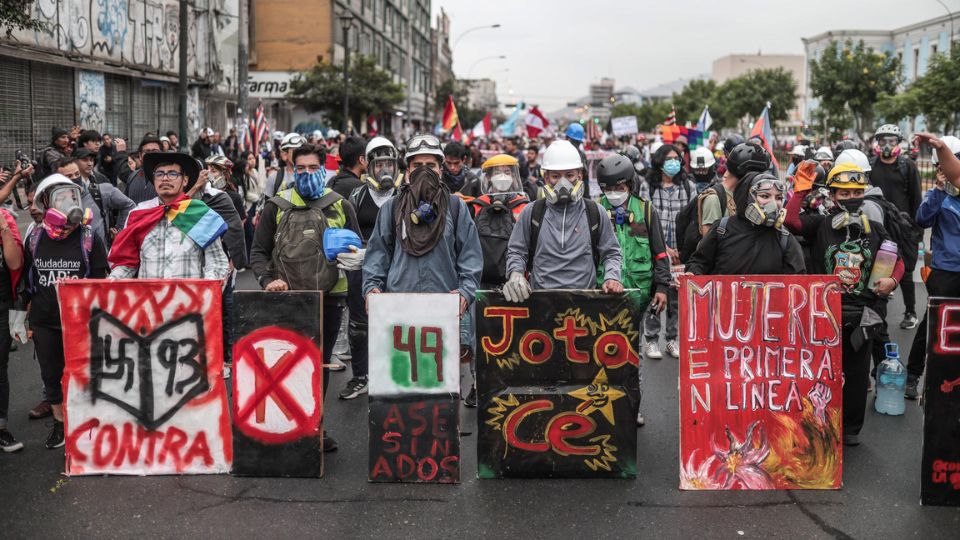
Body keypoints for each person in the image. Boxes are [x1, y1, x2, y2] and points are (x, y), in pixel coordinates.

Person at [250, 143, 361, 451]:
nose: (308, 174)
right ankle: (285, 427)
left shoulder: (341, 205)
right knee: (287, 363)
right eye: (302, 168)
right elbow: (258, 252)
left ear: (324, 170)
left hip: (331, 297)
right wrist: (267, 280)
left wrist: (354, 258)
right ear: (292, 168)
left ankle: (315, 425)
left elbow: (358, 248)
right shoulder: (277, 204)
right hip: (287, 298)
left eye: (314, 168)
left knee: (320, 364)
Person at [784, 162, 904, 446]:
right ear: (833, 195)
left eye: (856, 192)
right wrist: (800, 192)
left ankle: (850, 428)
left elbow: (897, 261)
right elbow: (791, 222)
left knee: (857, 372)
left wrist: (893, 281)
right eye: (844, 193)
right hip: (823, 310)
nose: (851, 198)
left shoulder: (875, 229)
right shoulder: (821, 224)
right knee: (818, 371)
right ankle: (816, 422)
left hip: (863, 315)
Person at [363, 134, 483, 408]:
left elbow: (471, 257)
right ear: (407, 171)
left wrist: (465, 292)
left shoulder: (456, 207)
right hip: (399, 311)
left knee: (442, 389)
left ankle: (443, 444)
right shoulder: (392, 208)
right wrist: (371, 288)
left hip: (444, 311)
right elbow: (377, 254)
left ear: (441, 169)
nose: (425, 171)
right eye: (418, 165)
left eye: (432, 164)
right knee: (402, 386)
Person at [14, 175, 110, 449]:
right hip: (45, 321)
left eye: (72, 196)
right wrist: (21, 319)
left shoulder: (90, 238)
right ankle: (60, 425)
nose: (68, 202)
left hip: (81, 323)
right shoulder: (35, 236)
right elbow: (26, 281)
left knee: (85, 374)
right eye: (60, 197)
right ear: (46, 203)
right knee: (51, 376)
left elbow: (101, 284)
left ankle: (89, 427)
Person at [596, 154, 670, 426]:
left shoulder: (646, 211)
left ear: (630, 185)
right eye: (608, 188)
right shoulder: (593, 210)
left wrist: (661, 287)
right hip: (601, 296)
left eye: (620, 187)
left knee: (631, 354)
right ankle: (601, 406)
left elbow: (660, 254)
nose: (614, 193)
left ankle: (632, 406)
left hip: (636, 296)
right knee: (601, 354)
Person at [503, 139, 623, 302]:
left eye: (569, 175)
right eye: (555, 176)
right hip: (541, 303)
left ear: (580, 175)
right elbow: (517, 251)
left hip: (585, 305)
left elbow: (612, 252)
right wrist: (516, 274)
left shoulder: (595, 212)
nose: (563, 182)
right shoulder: (531, 212)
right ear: (545, 177)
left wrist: (612, 277)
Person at [339, 137, 401, 400]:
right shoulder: (357, 195)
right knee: (359, 323)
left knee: (394, 322)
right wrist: (351, 252)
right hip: (361, 268)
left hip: (395, 267)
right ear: (370, 166)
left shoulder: (403, 195)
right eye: (380, 165)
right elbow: (347, 231)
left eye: (390, 164)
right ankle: (360, 376)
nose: (385, 170)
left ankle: (391, 374)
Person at [108, 152, 230, 281]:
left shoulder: (199, 214)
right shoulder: (139, 214)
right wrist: (112, 282)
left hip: (189, 299)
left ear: (185, 180)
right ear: (154, 180)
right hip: (149, 299)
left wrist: (204, 292)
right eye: (159, 174)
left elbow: (217, 263)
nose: (165, 179)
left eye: (172, 174)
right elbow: (125, 263)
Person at [904, 135, 960, 399]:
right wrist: (938, 191)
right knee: (933, 324)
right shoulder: (937, 196)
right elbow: (922, 219)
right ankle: (913, 376)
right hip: (945, 271)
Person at [636, 144, 696, 359]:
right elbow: (645, 222)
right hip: (657, 252)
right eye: (669, 158)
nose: (674, 162)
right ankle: (651, 340)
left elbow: (693, 221)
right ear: (660, 162)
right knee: (656, 295)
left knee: (675, 299)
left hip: (680, 254)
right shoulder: (648, 187)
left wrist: (683, 248)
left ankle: (672, 339)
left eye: (677, 158)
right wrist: (664, 248)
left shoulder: (688, 187)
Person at [687, 172, 805, 275]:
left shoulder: (784, 238)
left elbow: (797, 280)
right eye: (765, 196)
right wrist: (692, 273)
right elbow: (699, 262)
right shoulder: (722, 229)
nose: (774, 204)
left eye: (778, 198)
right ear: (747, 198)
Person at [869, 124, 923, 329]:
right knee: (878, 267)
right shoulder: (871, 165)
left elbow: (916, 198)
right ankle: (876, 312)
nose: (886, 144)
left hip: (902, 226)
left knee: (906, 269)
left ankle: (910, 312)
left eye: (891, 140)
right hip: (878, 224)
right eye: (882, 140)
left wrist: (917, 232)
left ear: (898, 143)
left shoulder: (907, 166)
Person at [63, 152, 135, 248]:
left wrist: (120, 230)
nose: (75, 178)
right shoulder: (52, 200)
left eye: (76, 174)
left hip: (99, 256)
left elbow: (129, 205)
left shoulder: (100, 189)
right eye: (69, 176)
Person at [0, 185, 22, 452]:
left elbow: (15, 264)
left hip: (2, 303)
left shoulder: (5, 218)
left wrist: (4, 228)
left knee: (0, 366)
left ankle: (1, 427)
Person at [234, 150, 266, 259]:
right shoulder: (243, 175)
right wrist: (257, 197)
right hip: (248, 206)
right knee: (248, 233)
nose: (252, 161)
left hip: (256, 205)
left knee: (255, 231)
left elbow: (260, 186)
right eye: (249, 159)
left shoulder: (255, 172)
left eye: (253, 158)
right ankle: (249, 257)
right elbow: (245, 193)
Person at [122, 135, 164, 204]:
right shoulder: (133, 176)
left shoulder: (169, 178)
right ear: (140, 155)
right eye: (147, 152)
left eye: (155, 151)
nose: (150, 154)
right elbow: (125, 204)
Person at [266, 132, 305, 198]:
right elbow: (266, 206)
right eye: (295, 151)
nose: (300, 155)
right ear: (284, 155)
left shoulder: (311, 177)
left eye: (302, 151)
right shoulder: (274, 178)